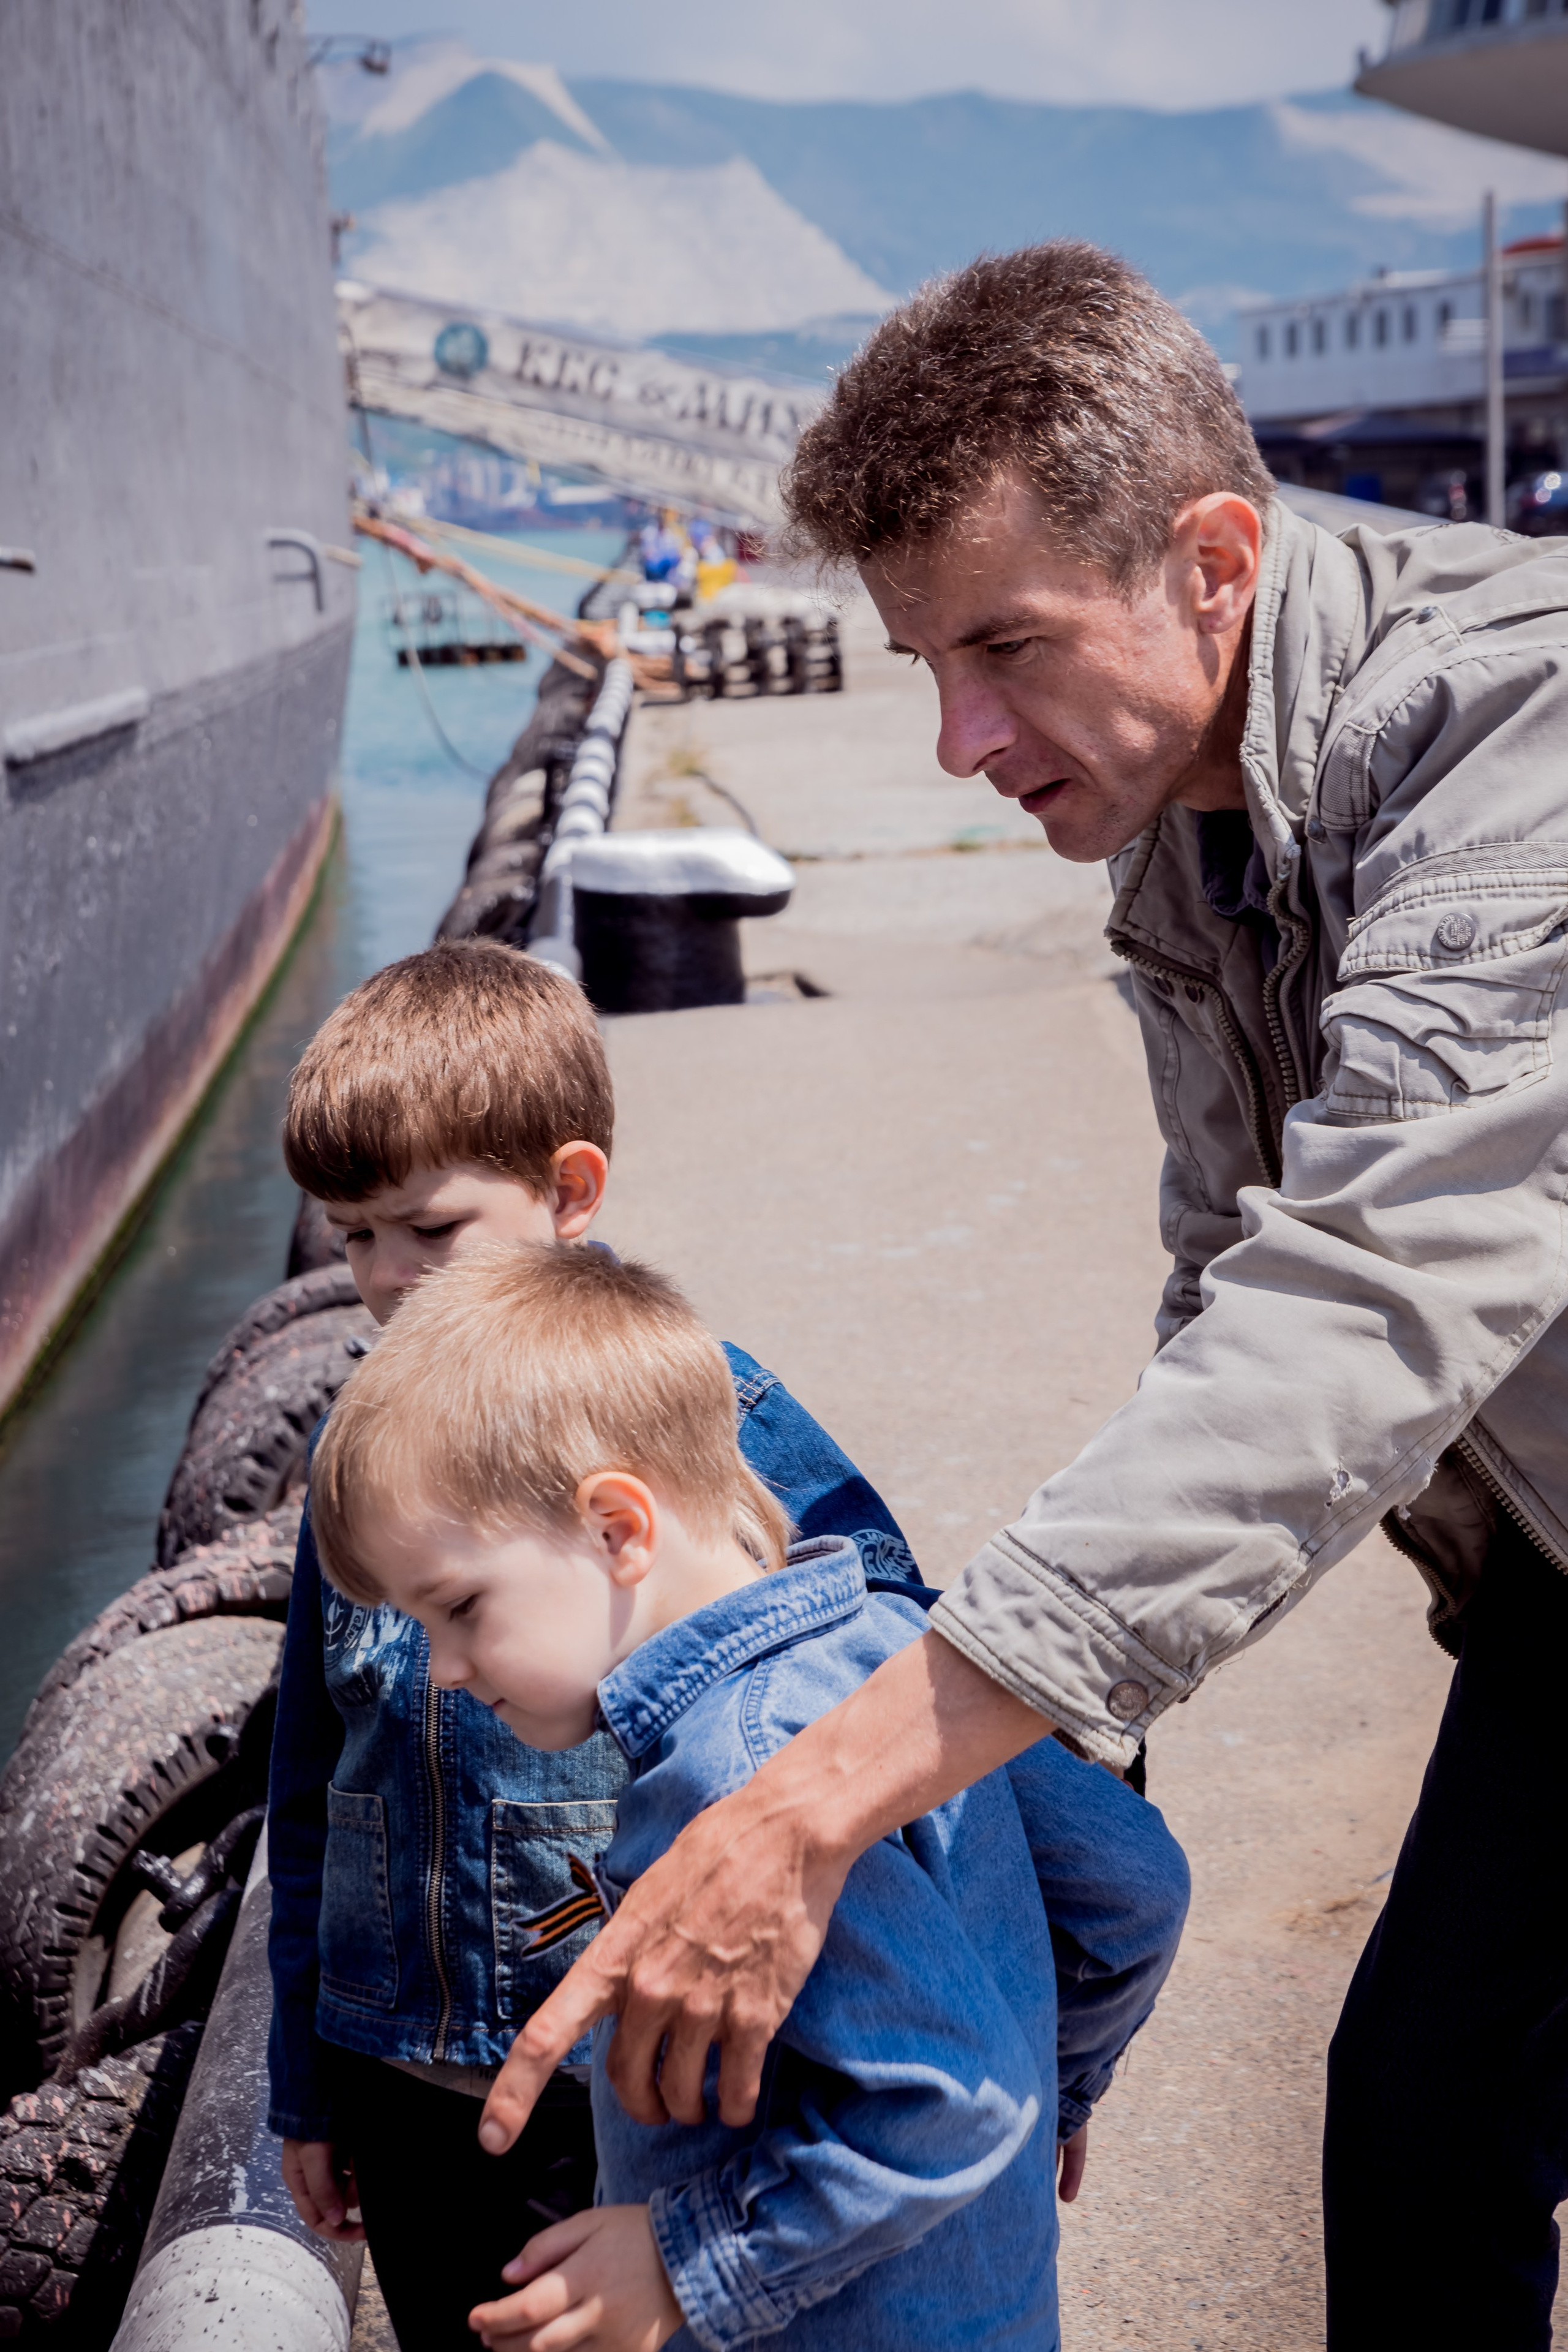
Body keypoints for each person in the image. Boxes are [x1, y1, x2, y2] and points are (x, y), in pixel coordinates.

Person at [478, 239, 1568, 2351]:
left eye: (1007, 646)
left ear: (1214, 559)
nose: (966, 737)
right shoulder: (1191, 812)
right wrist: (1069, 1790)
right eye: (921, 664)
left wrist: (818, 1797)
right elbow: (1222, 1284)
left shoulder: (1517, 750)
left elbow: (1355, 1313)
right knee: (1429, 2124)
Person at [307, 1242, 1190, 2352]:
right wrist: (1060, 2086)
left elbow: (944, 2106)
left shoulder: (728, 1774)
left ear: (617, 1529)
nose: (441, 1669)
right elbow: (1135, 1885)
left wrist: (686, 2263)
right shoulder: (906, 1655)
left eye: (460, 1608)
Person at [265, 941, 923, 2349]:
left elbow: (886, 1637)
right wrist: (305, 2082)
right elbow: (310, 1775)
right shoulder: (366, 1446)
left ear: (567, 1192)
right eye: (351, 1236)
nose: (384, 1279)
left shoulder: (705, 1411)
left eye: (428, 1231)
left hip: (627, 2070)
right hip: (407, 2071)